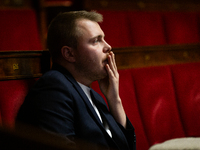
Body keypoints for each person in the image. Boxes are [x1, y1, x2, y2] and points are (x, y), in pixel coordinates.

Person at [17, 10, 136, 150]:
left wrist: (115, 100)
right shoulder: (53, 88)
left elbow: (127, 147)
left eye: (103, 38)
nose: (108, 46)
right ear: (69, 53)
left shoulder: (94, 95)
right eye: (96, 40)